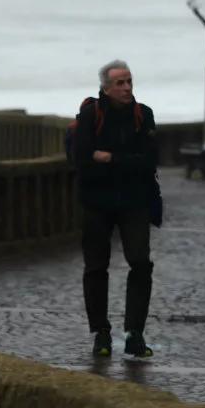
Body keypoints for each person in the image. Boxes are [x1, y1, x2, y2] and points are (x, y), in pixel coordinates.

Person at [72, 59, 158, 357]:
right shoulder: (90, 113)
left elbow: (148, 161)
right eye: (120, 83)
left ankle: (135, 332)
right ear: (106, 88)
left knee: (141, 263)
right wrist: (122, 160)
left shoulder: (143, 115)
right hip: (96, 202)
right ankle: (101, 333)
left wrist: (109, 158)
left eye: (129, 81)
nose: (126, 88)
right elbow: (81, 156)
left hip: (134, 201)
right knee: (96, 267)